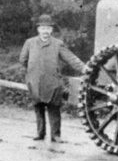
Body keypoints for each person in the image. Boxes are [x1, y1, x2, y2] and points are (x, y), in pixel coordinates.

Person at [19, 14, 86, 144]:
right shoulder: (30, 43)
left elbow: (70, 58)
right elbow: (23, 60)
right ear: (38, 29)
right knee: (38, 108)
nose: (45, 31)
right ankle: (40, 133)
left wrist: (85, 68)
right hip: (35, 81)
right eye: (43, 28)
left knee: (54, 108)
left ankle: (56, 135)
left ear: (51, 30)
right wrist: (30, 75)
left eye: (48, 28)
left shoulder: (57, 44)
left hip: (53, 82)